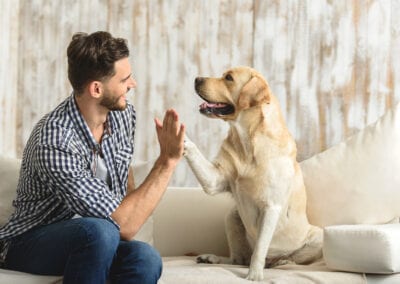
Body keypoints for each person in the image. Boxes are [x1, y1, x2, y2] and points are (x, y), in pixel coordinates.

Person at [0, 31, 185, 284]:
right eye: (125, 79)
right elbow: (126, 224)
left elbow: (125, 193)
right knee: (99, 230)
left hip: (97, 239)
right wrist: (167, 161)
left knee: (145, 257)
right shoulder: (54, 139)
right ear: (96, 89)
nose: (133, 84)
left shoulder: (122, 115)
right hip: (29, 241)